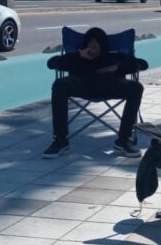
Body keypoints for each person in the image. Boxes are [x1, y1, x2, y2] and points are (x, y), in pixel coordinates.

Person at [43, 27, 145, 158]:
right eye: (90, 42)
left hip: (109, 86)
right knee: (59, 85)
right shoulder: (78, 58)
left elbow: (142, 64)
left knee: (136, 88)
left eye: (96, 42)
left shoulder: (113, 57)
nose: (93, 45)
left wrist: (117, 67)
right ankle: (60, 140)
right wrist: (79, 54)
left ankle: (124, 140)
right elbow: (51, 63)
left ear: (103, 44)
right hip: (83, 86)